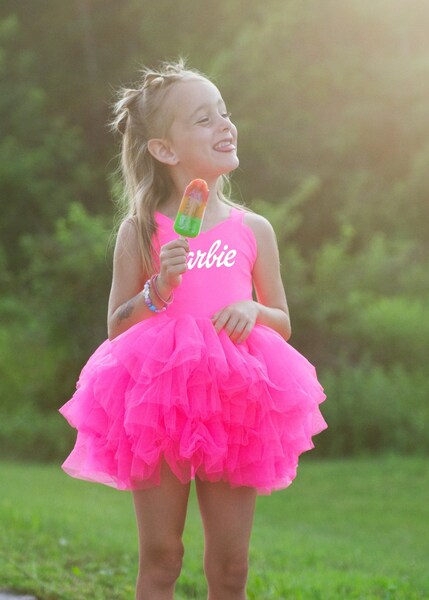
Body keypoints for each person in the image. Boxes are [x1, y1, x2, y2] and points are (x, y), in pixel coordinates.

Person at [59, 59, 327, 600]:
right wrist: (159, 287)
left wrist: (253, 312)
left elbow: (283, 321)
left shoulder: (253, 229)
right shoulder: (140, 231)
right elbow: (115, 327)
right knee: (162, 556)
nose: (225, 125)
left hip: (236, 399)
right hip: (158, 400)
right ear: (164, 149)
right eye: (204, 119)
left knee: (229, 569)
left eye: (224, 113)